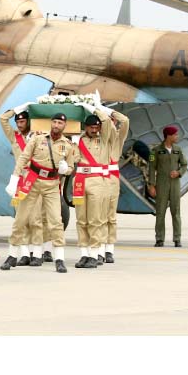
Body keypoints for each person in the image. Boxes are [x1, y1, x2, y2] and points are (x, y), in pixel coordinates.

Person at [2, 113, 76, 273]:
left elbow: (70, 167)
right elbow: (23, 158)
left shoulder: (68, 145)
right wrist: (14, 177)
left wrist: (66, 169)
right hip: (32, 180)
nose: (56, 125)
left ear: (64, 126)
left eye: (60, 123)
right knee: (21, 219)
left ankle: (60, 259)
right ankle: (12, 255)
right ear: (51, 123)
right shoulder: (37, 139)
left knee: (56, 221)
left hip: (51, 184)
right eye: (54, 122)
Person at [0, 106, 48, 263]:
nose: (20, 124)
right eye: (18, 122)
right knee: (21, 218)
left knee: (36, 218)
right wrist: (17, 109)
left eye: (23, 121)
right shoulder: (14, 137)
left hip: (35, 178)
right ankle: (25, 253)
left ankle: (38, 253)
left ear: (29, 122)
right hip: (20, 179)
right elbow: (2, 119)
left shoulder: (38, 136)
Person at [72, 103, 113, 269]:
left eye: (97, 126)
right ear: (86, 127)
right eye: (91, 126)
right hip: (80, 180)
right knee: (81, 219)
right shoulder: (78, 140)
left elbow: (107, 123)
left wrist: (93, 107)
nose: (94, 129)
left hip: (97, 180)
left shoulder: (104, 139)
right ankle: (84, 254)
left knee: (95, 219)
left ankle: (95, 254)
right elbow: (73, 158)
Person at [148, 125, 187, 247]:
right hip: (161, 185)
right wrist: (152, 185)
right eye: (175, 134)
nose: (177, 136)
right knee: (160, 212)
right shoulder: (156, 150)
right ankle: (159, 239)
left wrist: (179, 172)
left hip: (175, 185)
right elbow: (151, 168)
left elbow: (184, 164)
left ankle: (177, 238)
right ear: (168, 136)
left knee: (176, 212)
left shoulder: (178, 149)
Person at [103, 108, 130, 262]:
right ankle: (98, 248)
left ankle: (109, 250)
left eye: (111, 121)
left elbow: (125, 121)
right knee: (97, 216)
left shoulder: (118, 138)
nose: (110, 124)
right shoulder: (96, 138)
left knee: (110, 216)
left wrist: (109, 112)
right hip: (97, 177)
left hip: (112, 178)